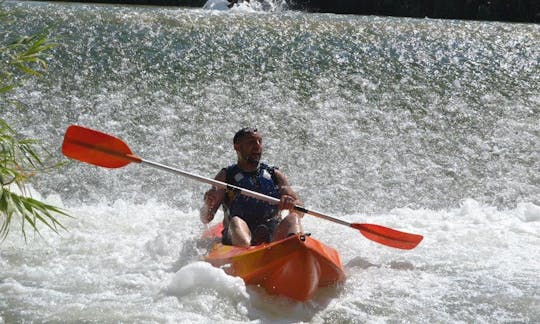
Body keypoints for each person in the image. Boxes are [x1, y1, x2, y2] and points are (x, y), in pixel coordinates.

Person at [200, 127, 304, 246]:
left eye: (260, 142)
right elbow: (205, 218)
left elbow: (300, 208)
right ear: (237, 146)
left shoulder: (275, 175)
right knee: (235, 221)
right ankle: (247, 252)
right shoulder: (225, 176)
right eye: (251, 142)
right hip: (238, 236)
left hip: (272, 234)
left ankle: (295, 249)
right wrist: (208, 205)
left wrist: (292, 205)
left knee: (294, 218)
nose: (257, 146)